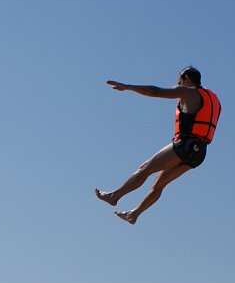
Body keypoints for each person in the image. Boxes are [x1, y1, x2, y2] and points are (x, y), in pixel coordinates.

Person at [94, 66, 222, 224]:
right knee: (159, 183)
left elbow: (156, 91)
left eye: (179, 81)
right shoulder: (213, 98)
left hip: (185, 144)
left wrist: (128, 87)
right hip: (199, 153)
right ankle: (134, 214)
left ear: (186, 79)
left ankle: (114, 196)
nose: (178, 84)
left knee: (145, 168)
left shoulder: (188, 92)